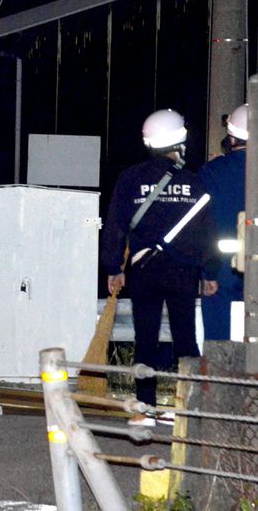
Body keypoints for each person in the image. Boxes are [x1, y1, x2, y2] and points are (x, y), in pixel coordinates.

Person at [101, 108, 219, 426]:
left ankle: (146, 409)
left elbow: (115, 226)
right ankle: (192, 412)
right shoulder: (194, 183)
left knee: (146, 339)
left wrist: (114, 268)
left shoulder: (130, 179)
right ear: (181, 141)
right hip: (184, 272)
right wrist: (209, 273)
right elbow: (207, 233)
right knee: (186, 340)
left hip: (144, 270)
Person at [198, 103, 248, 340]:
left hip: (223, 267)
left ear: (232, 137)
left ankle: (220, 376)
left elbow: (204, 225)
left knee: (220, 338)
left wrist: (209, 272)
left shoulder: (212, 172)